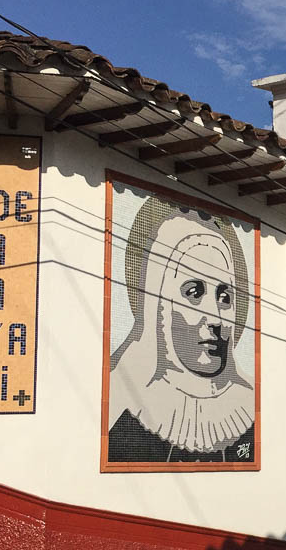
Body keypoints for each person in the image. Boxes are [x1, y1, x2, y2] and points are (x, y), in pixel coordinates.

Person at [108, 197, 255, 462]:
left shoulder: (248, 409)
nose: (216, 318)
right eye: (193, 292)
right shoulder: (121, 407)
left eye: (225, 297)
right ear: (157, 305)